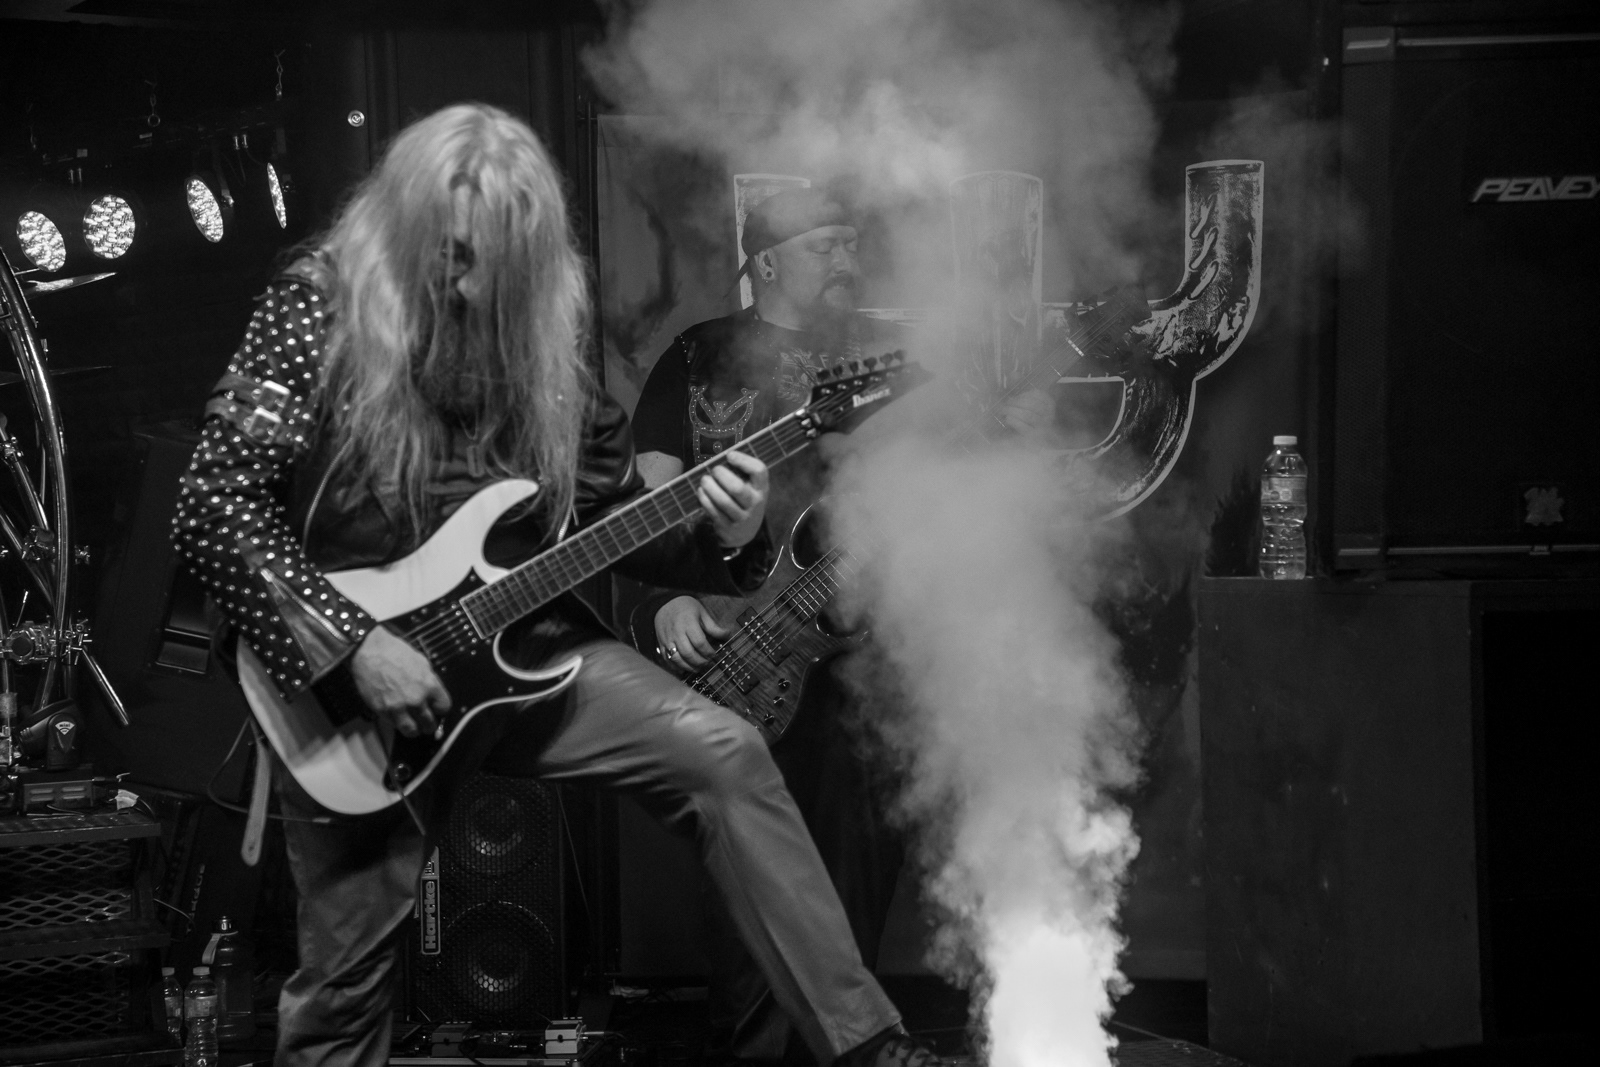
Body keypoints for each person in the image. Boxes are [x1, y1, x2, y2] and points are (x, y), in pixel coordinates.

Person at [171, 106, 947, 1067]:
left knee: (724, 754)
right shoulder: (317, 307)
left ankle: (868, 1045)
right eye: (453, 254)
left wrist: (728, 533)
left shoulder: (543, 328)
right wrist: (355, 646)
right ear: (401, 229)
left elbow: (612, 510)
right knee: (345, 989)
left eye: (499, 259)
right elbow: (213, 501)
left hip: (526, 648)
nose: (472, 282)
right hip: (349, 689)